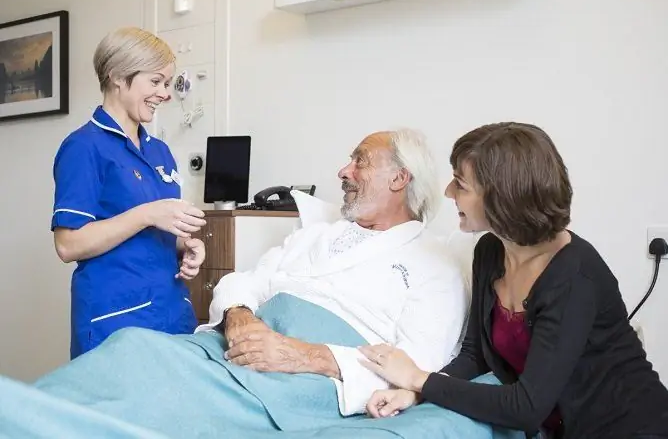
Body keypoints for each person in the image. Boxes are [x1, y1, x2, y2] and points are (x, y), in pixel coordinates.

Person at [0, 130, 469, 439]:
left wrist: (299, 355)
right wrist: (239, 316)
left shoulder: (435, 262)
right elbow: (244, 280)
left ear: (399, 178)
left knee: (162, 400)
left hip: (299, 375)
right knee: (132, 350)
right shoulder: (316, 236)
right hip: (232, 345)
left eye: (359, 162)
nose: (343, 172)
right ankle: (27, 412)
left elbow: (423, 367)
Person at [359, 122, 668, 439]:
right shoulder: (490, 252)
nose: (448, 192)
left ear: (502, 199)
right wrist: (416, 393)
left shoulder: (575, 275)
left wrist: (418, 379)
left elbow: (526, 407)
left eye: (461, 185)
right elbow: (475, 355)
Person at [51, 27, 207, 360]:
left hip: (171, 313)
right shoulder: (83, 147)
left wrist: (187, 248)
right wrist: (147, 213)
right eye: (156, 82)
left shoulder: (160, 151)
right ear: (118, 77)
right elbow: (68, 244)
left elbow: (157, 233)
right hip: (117, 321)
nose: (164, 94)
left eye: (166, 84)